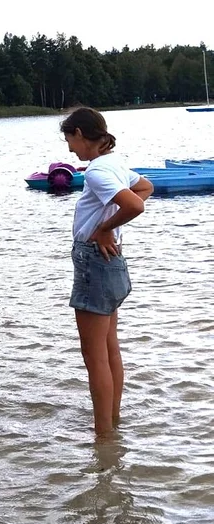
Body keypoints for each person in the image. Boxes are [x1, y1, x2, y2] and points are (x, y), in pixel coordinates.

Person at [60, 106, 153, 436]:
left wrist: (103, 228)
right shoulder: (116, 162)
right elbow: (146, 187)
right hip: (112, 264)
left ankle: (103, 436)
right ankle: (112, 422)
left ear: (81, 135)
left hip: (94, 264)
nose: (69, 147)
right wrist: (109, 227)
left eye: (69, 139)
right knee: (110, 348)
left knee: (94, 356)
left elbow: (136, 203)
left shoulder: (98, 171)